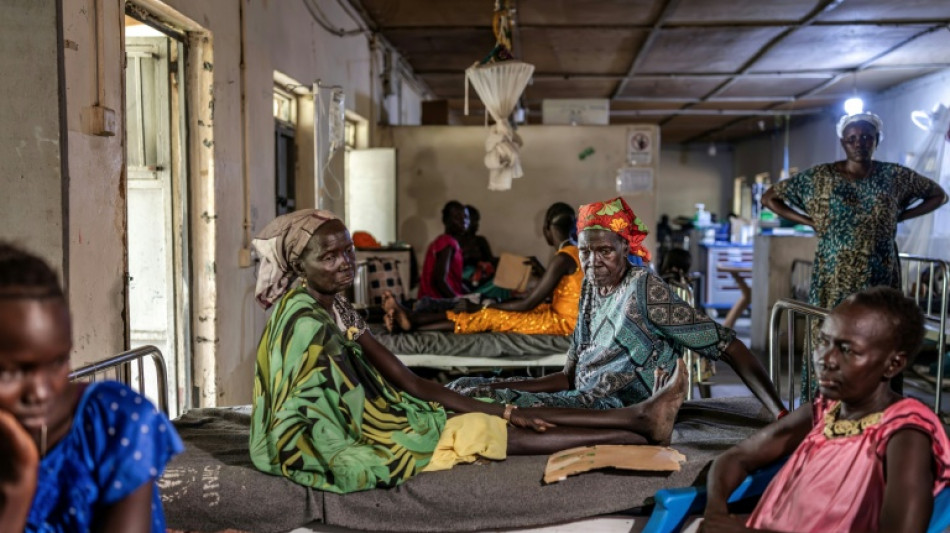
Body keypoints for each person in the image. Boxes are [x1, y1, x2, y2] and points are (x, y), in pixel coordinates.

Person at [248, 209, 696, 495]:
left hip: (388, 408)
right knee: (482, 423)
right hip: (357, 432)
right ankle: (635, 428)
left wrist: (494, 404)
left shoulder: (336, 306)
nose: (346, 263)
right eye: (330, 257)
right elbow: (316, 413)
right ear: (298, 266)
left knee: (480, 391)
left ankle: (637, 424)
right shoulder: (305, 323)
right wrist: (495, 411)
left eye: (348, 251)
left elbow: (403, 379)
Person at [449, 197, 786, 417]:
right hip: (583, 400)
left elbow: (728, 346)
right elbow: (570, 377)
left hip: (621, 409)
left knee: (484, 407)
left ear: (625, 248)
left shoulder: (644, 289)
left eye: (604, 251)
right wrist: (497, 386)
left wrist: (779, 412)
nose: (592, 262)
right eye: (585, 252)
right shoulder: (590, 290)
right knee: (467, 388)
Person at [699, 287, 950, 533]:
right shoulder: (826, 411)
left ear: (892, 364)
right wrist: (715, 514)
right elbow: (737, 457)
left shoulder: (906, 434)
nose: (825, 359)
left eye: (847, 350)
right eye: (824, 341)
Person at [0, 243, 183, 531]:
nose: (42, 392)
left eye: (58, 362)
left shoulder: (115, 423)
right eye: (10, 373)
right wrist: (17, 493)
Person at [762, 112, 947, 312]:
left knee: (879, 327)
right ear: (843, 143)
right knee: (834, 327)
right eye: (852, 139)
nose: (859, 143)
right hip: (834, 272)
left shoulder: (895, 176)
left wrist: (901, 216)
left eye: (867, 137)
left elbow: (939, 195)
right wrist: (809, 221)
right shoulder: (820, 177)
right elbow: (769, 198)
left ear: (877, 140)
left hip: (880, 270)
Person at [383, 202, 582, 335]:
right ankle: (413, 319)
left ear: (546, 228)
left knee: (489, 315)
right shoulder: (575, 252)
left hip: (562, 323)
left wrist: (484, 306)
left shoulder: (563, 257)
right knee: (499, 304)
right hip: (564, 317)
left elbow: (528, 304)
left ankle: (414, 322)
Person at [417, 200, 469, 301]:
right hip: (436, 301)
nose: (463, 221)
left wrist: (471, 294)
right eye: (457, 217)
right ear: (446, 221)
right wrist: (458, 302)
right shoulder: (446, 243)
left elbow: (453, 281)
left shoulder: (448, 242)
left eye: (465, 217)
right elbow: (439, 281)